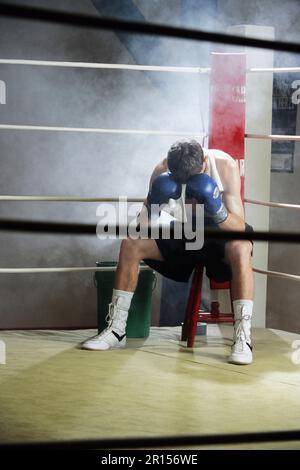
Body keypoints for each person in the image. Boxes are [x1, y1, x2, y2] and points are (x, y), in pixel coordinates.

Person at [82, 140, 254, 365]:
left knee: (241, 247)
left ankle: (243, 339)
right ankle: (116, 331)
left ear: (203, 162)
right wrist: (153, 203)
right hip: (183, 231)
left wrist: (218, 210)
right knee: (131, 242)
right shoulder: (162, 170)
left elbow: (239, 226)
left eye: (191, 180)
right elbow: (141, 226)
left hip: (217, 234)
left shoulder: (224, 166)